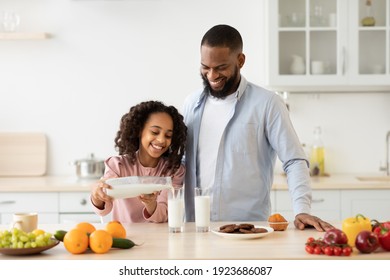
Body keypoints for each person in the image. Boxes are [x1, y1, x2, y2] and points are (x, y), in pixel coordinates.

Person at [182, 24, 333, 231]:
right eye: (205, 67)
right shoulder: (191, 104)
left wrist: (301, 209)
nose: (211, 75)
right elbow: (181, 164)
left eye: (220, 68)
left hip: (246, 231)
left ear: (240, 61)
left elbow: (294, 160)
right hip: (195, 228)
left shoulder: (267, 103)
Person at [91, 100, 187, 223]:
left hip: (162, 239)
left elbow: (166, 215)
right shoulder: (118, 166)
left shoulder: (174, 171)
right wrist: (97, 195)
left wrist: (151, 204)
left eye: (168, 136)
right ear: (139, 130)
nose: (161, 140)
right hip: (125, 236)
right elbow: (104, 208)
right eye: (155, 132)